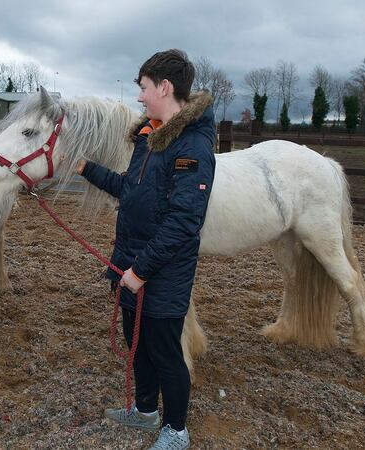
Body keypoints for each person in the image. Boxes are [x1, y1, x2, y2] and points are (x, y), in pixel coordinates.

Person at [76, 49, 216, 450]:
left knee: (164, 350)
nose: (139, 97)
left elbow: (184, 221)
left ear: (165, 87)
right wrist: (87, 169)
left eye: (143, 88)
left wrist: (141, 271)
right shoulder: (150, 138)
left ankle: (176, 430)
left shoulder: (191, 146)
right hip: (131, 264)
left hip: (161, 273)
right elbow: (130, 190)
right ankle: (145, 411)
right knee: (136, 342)